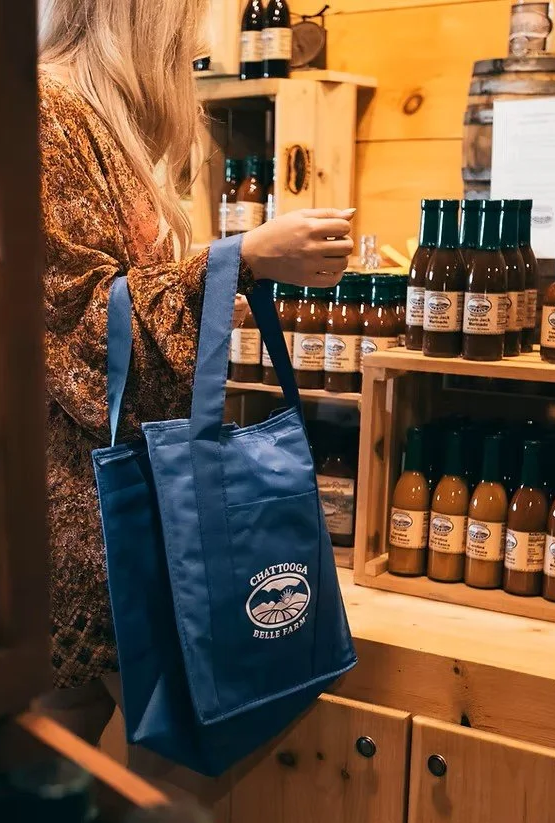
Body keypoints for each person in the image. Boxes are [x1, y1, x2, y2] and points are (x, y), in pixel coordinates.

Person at [36, 0, 354, 750]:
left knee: (71, 745)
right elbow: (69, 326)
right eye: (188, 27)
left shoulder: (94, 118)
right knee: (199, 739)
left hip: (116, 500)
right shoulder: (48, 113)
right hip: (87, 509)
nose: (198, 45)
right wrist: (235, 260)